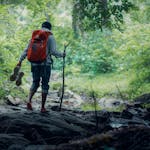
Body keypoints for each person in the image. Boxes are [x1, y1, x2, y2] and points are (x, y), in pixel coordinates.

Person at [17, 21, 65, 112]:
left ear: (42, 27)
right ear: (50, 28)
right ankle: (42, 107)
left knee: (35, 82)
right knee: (45, 84)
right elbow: (53, 51)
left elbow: (26, 50)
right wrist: (62, 54)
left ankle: (29, 101)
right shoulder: (50, 36)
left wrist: (20, 61)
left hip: (34, 63)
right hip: (45, 64)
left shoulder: (34, 36)